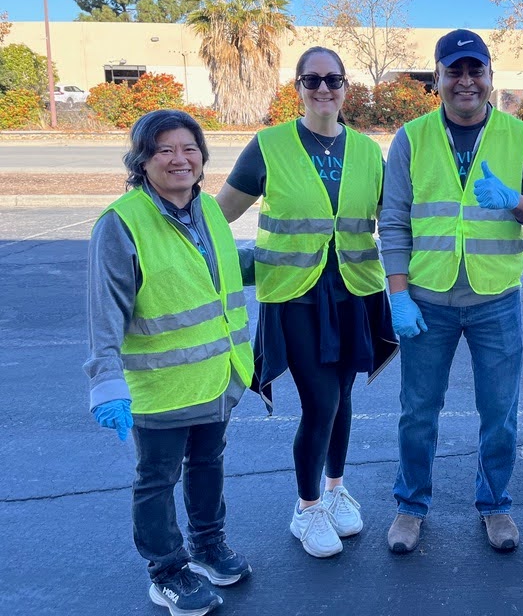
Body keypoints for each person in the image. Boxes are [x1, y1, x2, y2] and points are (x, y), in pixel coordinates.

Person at [379, 29, 523, 554]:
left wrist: (516, 202)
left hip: (495, 301)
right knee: (418, 411)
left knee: (499, 410)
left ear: (489, 77)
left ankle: (496, 505)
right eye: (453, 71)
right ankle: (411, 507)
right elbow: (393, 221)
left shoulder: (522, 137)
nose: (465, 81)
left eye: (474, 70)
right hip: (428, 300)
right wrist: (398, 294)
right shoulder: (411, 138)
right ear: (436, 79)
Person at [216, 46, 397, 559]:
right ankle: (307, 505)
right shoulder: (268, 146)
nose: (323, 89)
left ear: (345, 87)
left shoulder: (366, 151)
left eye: (332, 79)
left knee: (343, 401)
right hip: (296, 296)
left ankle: (337, 490)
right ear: (297, 86)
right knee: (320, 403)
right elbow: (218, 215)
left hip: (354, 293)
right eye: (311, 79)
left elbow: (393, 221)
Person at [86, 109, 254, 616]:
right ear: (142, 162)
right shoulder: (121, 224)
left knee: (208, 462)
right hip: (160, 386)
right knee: (156, 479)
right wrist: (106, 378)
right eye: (164, 150)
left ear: (202, 157)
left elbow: (217, 274)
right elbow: (104, 309)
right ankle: (166, 570)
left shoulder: (207, 211)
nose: (179, 159)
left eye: (188, 148)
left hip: (218, 375)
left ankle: (207, 545)